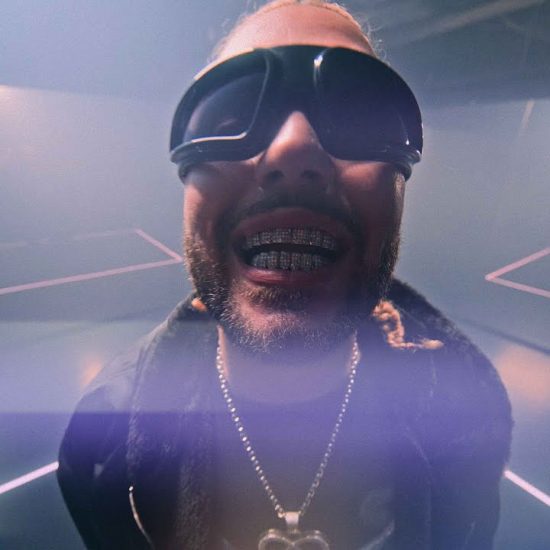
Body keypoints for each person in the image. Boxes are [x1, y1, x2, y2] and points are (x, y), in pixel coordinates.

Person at [57, 1, 512, 548]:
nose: (294, 146)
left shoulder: (471, 420)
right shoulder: (100, 443)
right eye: (231, 118)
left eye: (357, 119)